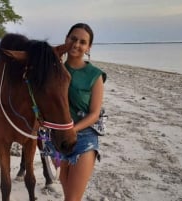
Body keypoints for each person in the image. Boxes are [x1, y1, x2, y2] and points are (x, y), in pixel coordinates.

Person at [57, 23, 107, 201]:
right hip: (59, 139)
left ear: (88, 47)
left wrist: (73, 129)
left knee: (72, 199)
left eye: (83, 42)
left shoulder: (95, 75)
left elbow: (94, 114)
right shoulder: (55, 70)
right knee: (68, 194)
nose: (76, 44)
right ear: (66, 40)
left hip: (84, 137)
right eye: (73, 39)